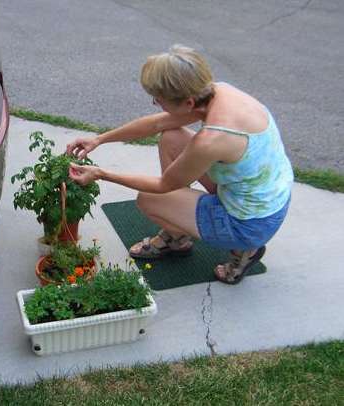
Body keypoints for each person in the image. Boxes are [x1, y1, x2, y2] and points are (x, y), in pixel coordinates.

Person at [66, 44, 293, 285]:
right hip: (264, 194)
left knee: (149, 199)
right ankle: (178, 235)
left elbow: (164, 185)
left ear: (188, 103)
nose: (156, 103)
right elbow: (157, 124)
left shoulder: (212, 139)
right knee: (172, 136)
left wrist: (100, 173)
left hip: (248, 224)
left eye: (158, 99)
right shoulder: (219, 91)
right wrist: (99, 139)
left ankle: (244, 251)